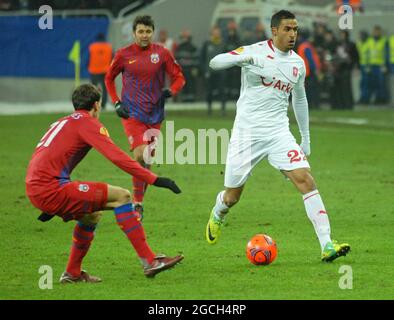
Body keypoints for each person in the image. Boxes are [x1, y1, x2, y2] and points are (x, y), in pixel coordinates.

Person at [205, 10, 350, 262]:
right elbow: (214, 62)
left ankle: (327, 245)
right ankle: (218, 211)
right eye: (287, 29)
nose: (292, 34)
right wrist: (244, 58)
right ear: (274, 31)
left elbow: (300, 100)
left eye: (295, 29)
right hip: (247, 133)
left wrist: (305, 138)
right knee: (232, 195)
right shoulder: (254, 51)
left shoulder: (297, 64)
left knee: (305, 180)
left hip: (278, 132)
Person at [25, 84, 184, 283]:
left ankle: (72, 273)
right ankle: (150, 261)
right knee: (122, 196)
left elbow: (50, 158)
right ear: (97, 105)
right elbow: (117, 157)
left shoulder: (62, 122)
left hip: (37, 186)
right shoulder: (88, 123)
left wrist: (46, 200)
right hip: (50, 188)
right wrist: (154, 179)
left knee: (91, 215)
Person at [105, 15, 185, 216]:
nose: (144, 35)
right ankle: (137, 203)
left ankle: (138, 203)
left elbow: (179, 78)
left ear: (153, 32)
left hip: (155, 114)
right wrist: (116, 102)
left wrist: (172, 91)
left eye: (148, 31)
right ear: (134, 33)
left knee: (146, 160)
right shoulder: (123, 54)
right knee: (140, 155)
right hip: (132, 114)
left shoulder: (162, 53)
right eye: (140, 31)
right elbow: (108, 78)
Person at [200, 26, 227, 115]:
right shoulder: (207, 43)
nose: (216, 34)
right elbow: (202, 58)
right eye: (215, 32)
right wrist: (204, 70)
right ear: (212, 33)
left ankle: (223, 109)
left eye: (218, 32)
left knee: (222, 91)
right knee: (209, 91)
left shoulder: (223, 43)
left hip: (221, 71)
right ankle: (209, 109)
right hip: (210, 72)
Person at [88, 33, 113, 110]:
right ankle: (103, 105)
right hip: (105, 70)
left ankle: (92, 104)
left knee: (93, 89)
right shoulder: (109, 47)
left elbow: (88, 58)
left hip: (94, 70)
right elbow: (113, 58)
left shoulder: (92, 47)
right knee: (105, 88)